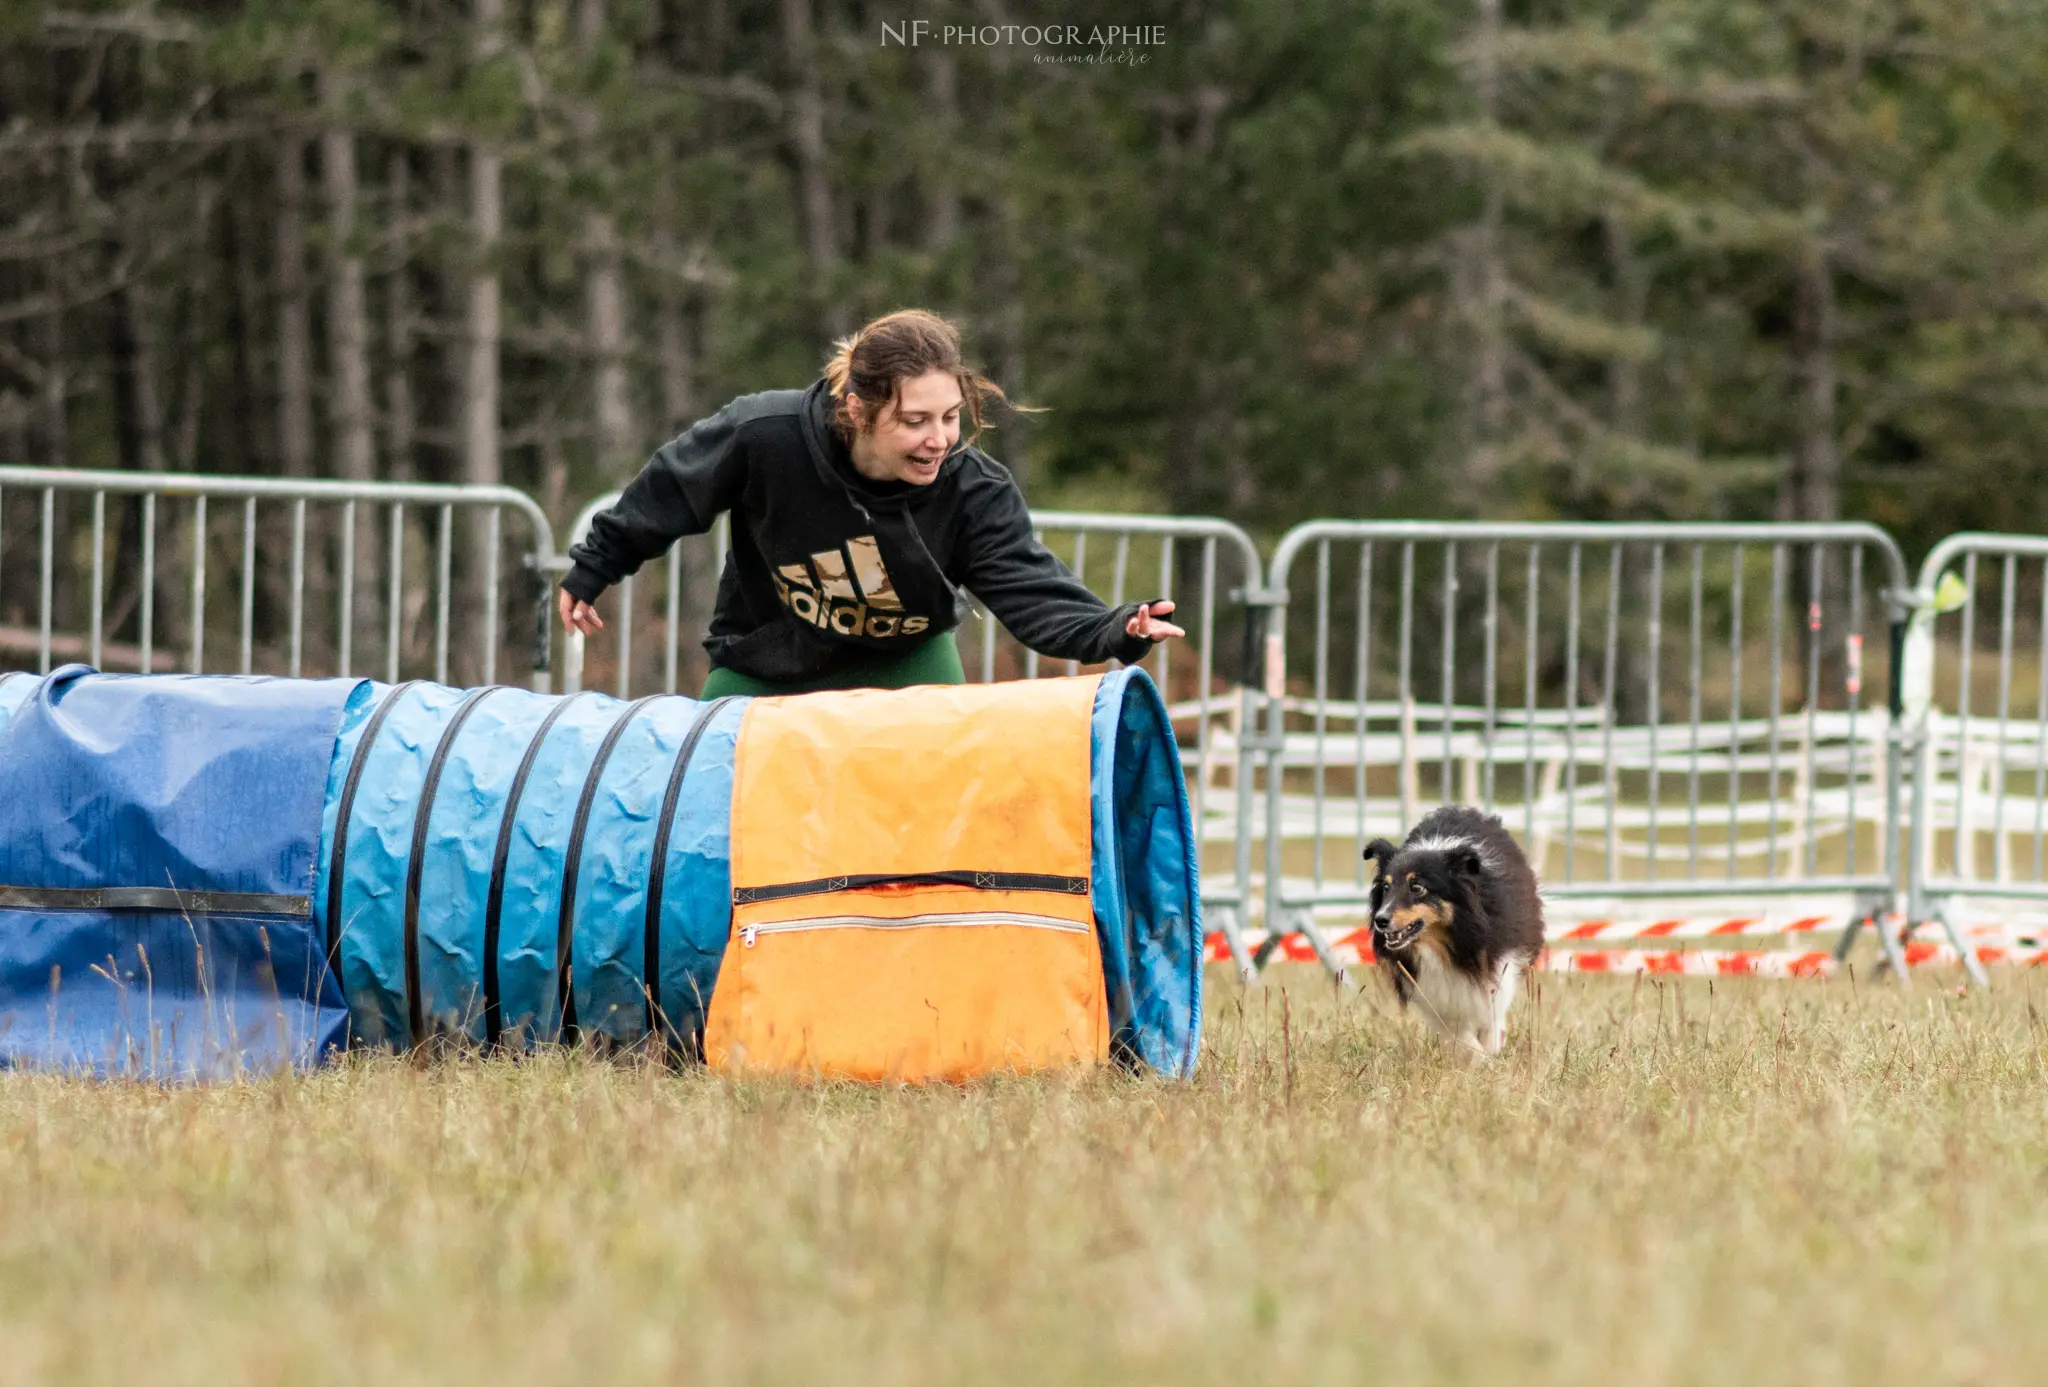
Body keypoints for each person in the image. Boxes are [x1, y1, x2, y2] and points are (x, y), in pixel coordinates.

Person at [558, 308, 1184, 697]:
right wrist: (597, 565)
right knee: (718, 827)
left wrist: (1114, 628)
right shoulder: (765, 435)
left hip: (904, 663)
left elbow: (1033, 593)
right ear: (858, 410)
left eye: (949, 417)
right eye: (915, 421)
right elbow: (672, 486)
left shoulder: (973, 491)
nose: (938, 440)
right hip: (768, 663)